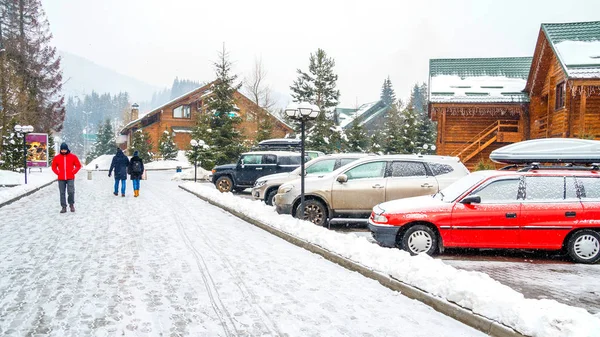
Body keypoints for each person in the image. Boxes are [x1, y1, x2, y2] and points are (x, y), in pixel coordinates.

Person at [51, 142, 82, 213]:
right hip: (61, 178)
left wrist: (73, 172)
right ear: (60, 150)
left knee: (71, 192)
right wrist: (58, 172)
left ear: (67, 149)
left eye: (64, 150)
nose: (63, 151)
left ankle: (71, 204)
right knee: (62, 192)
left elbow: (78, 165)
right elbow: (53, 167)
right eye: (62, 150)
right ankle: (63, 207)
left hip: (70, 177)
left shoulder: (73, 157)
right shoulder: (57, 157)